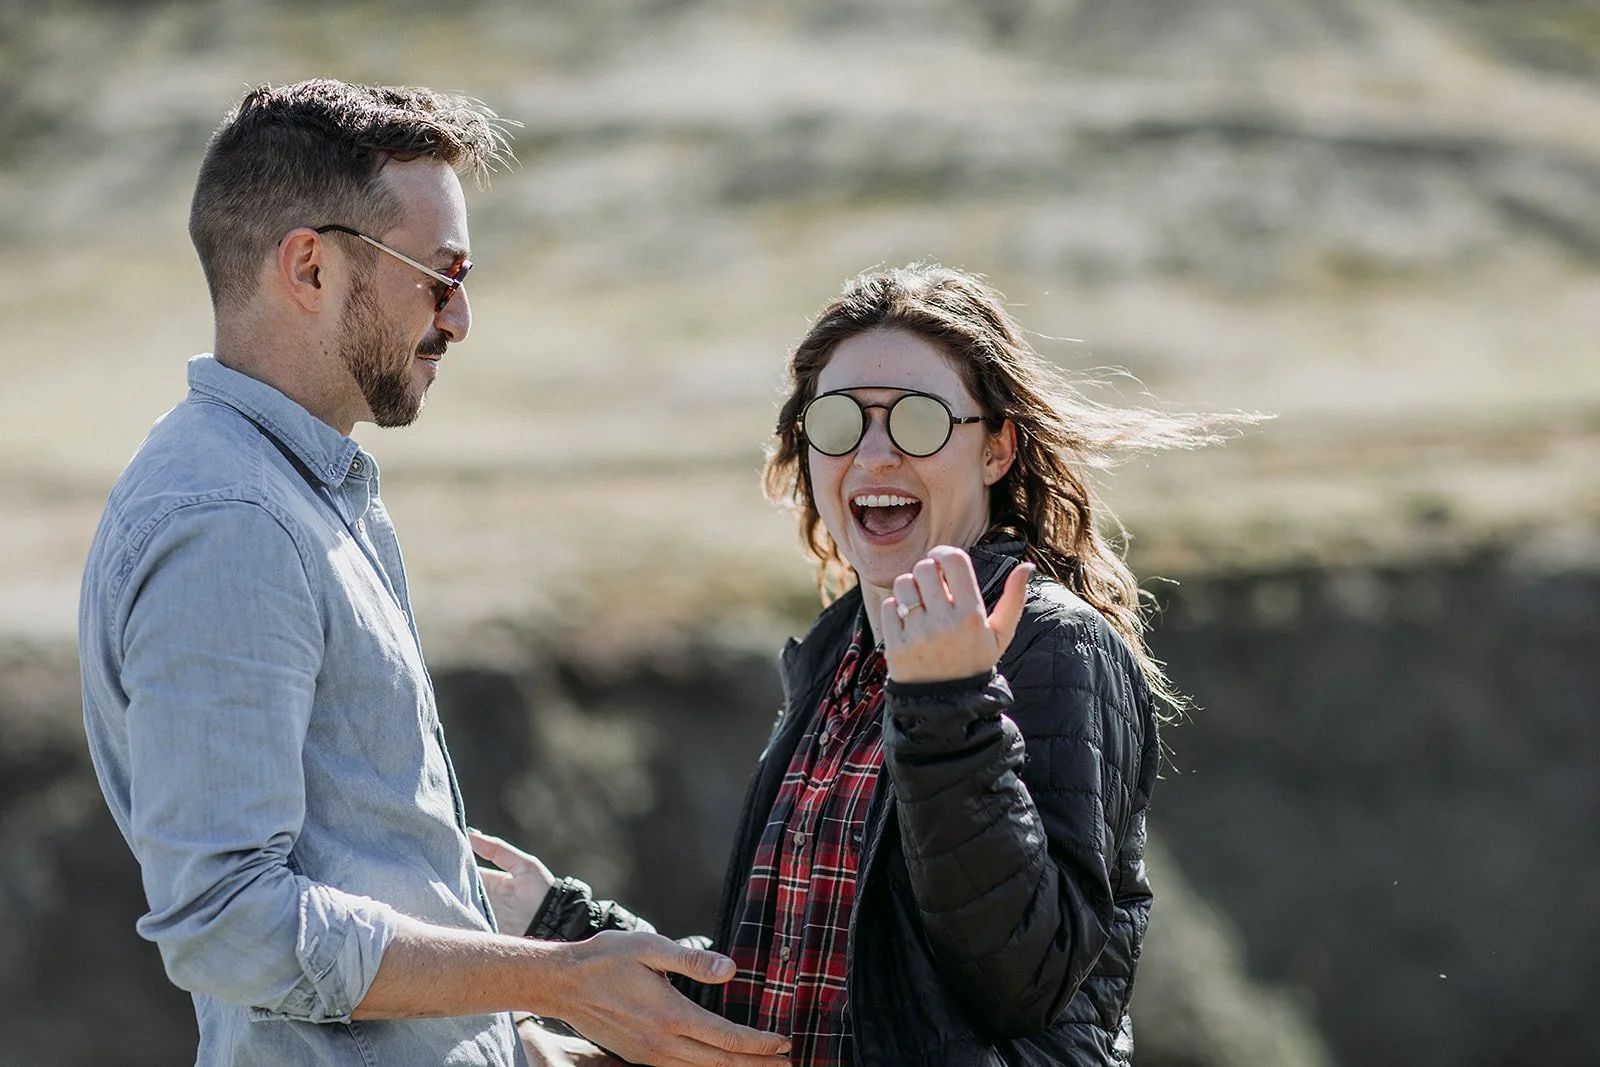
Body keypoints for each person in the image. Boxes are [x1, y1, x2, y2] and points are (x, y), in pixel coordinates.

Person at [77, 78, 790, 1067]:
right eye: (438, 275)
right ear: (312, 269)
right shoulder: (230, 523)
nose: (458, 318)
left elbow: (353, 882)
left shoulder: (298, 491)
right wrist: (551, 975)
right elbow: (228, 923)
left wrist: (522, 1044)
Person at [476, 262, 1244, 1064]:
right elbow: (795, 994)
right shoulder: (835, 661)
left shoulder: (1056, 647)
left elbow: (1021, 979)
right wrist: (561, 930)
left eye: (916, 420)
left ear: (995, 448)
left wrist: (950, 702)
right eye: (840, 422)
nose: (875, 454)